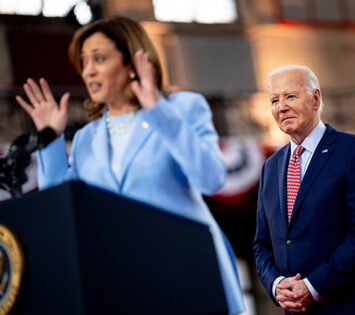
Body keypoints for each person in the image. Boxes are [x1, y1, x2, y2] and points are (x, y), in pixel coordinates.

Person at [16, 16, 245, 315]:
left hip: (188, 271)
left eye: (99, 59)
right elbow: (62, 207)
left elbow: (212, 179)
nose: (88, 71)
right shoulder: (87, 138)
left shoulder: (183, 108)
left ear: (132, 62)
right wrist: (51, 141)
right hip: (126, 282)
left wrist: (158, 111)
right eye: (83, 62)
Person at [253, 65, 355, 314]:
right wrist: (276, 284)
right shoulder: (270, 167)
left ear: (315, 99)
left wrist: (313, 286)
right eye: (274, 100)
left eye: (290, 96)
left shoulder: (353, 151)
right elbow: (262, 244)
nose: (281, 107)